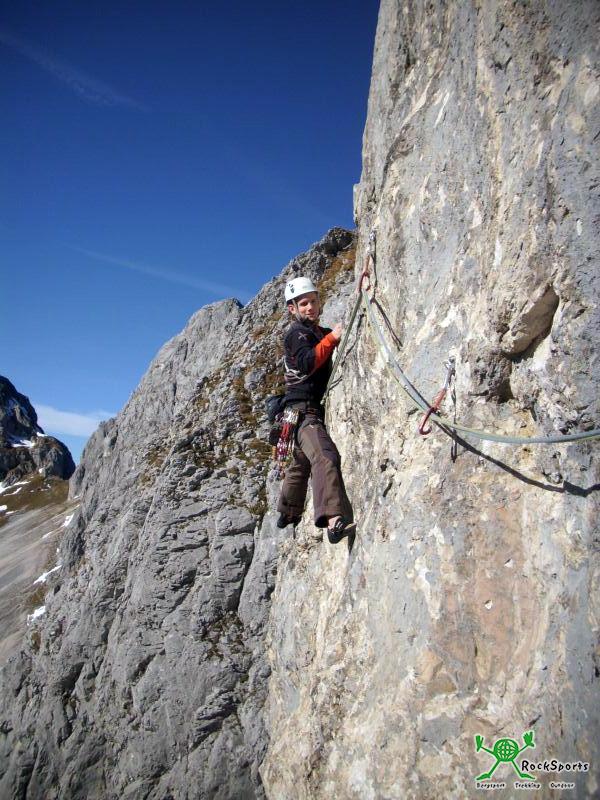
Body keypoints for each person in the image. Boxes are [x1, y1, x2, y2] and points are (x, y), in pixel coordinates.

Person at [276, 276, 354, 544]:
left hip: (296, 413)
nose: (310, 307)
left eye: (313, 301)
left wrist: (331, 336)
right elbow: (308, 362)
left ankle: (288, 512)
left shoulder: (319, 332)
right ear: (292, 309)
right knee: (324, 455)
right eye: (303, 304)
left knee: (300, 462)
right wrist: (333, 338)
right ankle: (333, 519)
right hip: (304, 412)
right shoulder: (297, 334)